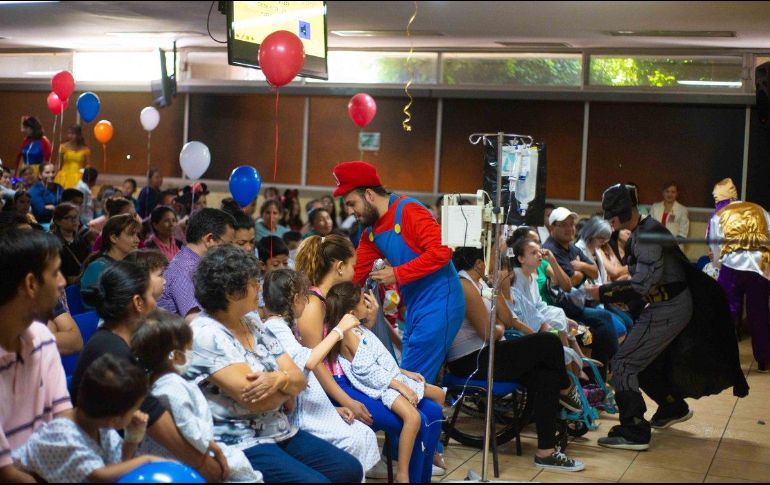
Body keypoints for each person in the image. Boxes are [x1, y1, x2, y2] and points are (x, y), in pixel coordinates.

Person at [585, 183, 748, 451]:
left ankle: (634, 430)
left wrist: (601, 293)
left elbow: (641, 285)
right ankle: (672, 406)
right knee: (643, 361)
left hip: (668, 307)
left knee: (624, 363)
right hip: (668, 304)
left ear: (624, 211)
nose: (609, 219)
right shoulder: (644, 231)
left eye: (612, 213)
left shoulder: (647, 236)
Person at [189, 245, 364, 483]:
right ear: (231, 292)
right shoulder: (206, 334)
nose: (259, 287)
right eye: (253, 282)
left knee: (349, 469)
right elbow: (258, 400)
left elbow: (299, 379)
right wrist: (286, 383)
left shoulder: (252, 323)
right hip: (240, 440)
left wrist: (279, 379)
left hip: (280, 429)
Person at [294, 233, 442, 481]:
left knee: (434, 412)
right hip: (335, 385)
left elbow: (357, 347)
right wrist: (347, 401)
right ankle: (406, 476)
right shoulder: (312, 305)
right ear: (339, 267)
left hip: (354, 376)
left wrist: (369, 322)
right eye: (353, 265)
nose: (356, 271)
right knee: (415, 421)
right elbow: (316, 365)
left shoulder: (336, 299)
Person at [72, 260, 230, 481]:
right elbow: (152, 415)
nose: (156, 305)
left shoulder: (117, 340)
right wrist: (205, 464)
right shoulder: (113, 352)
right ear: (138, 302)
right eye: (151, 297)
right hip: (104, 465)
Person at [447, 246, 585, 472]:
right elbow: (489, 332)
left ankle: (546, 452)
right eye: (491, 261)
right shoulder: (464, 285)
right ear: (479, 263)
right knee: (549, 342)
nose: (497, 267)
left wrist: (498, 289)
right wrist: (500, 327)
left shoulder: (481, 285)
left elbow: (508, 319)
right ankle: (566, 388)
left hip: (490, 352)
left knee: (545, 376)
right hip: (471, 360)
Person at [333, 161, 465, 384]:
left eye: (352, 203)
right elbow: (355, 274)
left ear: (369, 195)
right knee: (411, 376)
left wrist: (397, 273)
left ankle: (430, 407)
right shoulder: (370, 232)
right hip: (415, 306)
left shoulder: (409, 210)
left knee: (411, 383)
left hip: (440, 302)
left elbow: (442, 252)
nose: (350, 211)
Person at [261, 270, 380, 475]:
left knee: (364, 434)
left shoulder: (285, 326)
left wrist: (332, 409)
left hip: (309, 406)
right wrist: (339, 330)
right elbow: (309, 361)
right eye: (305, 297)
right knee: (352, 441)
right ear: (296, 300)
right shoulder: (275, 327)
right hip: (301, 414)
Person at [328, 281, 446, 483]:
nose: (368, 304)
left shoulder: (359, 329)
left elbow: (379, 359)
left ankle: (431, 448)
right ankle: (403, 473)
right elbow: (369, 372)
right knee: (413, 418)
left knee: (439, 394)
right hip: (384, 388)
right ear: (352, 312)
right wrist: (400, 385)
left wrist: (403, 372)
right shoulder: (349, 336)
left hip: (393, 378)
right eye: (363, 302)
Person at [131, 311, 263, 483]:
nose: (191, 353)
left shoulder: (154, 383)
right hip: (187, 458)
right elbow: (189, 427)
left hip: (174, 456)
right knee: (240, 466)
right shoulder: (173, 386)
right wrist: (212, 447)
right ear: (177, 356)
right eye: (189, 348)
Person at [13, 354, 165, 483]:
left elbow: (120, 466)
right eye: (134, 409)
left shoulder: (101, 427)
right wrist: (146, 460)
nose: (137, 412)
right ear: (115, 420)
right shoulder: (63, 435)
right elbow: (100, 476)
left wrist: (132, 437)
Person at [0, 229, 71, 483]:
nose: (63, 281)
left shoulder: (42, 338)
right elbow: (6, 473)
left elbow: (64, 421)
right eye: (55, 273)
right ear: (31, 284)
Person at [542, 207, 619, 373]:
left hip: (577, 306)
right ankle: (614, 367)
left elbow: (594, 271)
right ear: (552, 227)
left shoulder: (571, 248)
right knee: (595, 331)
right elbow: (569, 283)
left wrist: (581, 267)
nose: (570, 228)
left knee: (604, 327)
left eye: (572, 224)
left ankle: (602, 377)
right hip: (564, 310)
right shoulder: (551, 250)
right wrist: (582, 272)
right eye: (564, 225)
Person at [709, 178, 770, 372]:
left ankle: (723, 358)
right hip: (760, 268)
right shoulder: (760, 209)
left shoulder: (719, 215)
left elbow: (715, 246)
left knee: (726, 311)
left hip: (732, 267)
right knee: (759, 313)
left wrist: (717, 264)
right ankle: (764, 360)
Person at [158, 208, 235, 321]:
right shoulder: (186, 269)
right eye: (227, 245)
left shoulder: (196, 264)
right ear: (209, 239)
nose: (230, 252)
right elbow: (195, 320)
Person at [80, 214, 141, 309]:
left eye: (137, 235)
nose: (138, 240)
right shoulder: (97, 268)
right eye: (131, 234)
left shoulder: (131, 264)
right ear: (114, 238)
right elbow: (92, 308)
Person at [51, 203, 90, 285]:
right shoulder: (51, 242)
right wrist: (67, 279)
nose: (74, 220)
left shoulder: (82, 240)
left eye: (75, 217)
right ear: (57, 221)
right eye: (67, 218)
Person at [54, 125, 90, 190]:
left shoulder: (85, 149)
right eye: (69, 133)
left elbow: (88, 164)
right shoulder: (63, 147)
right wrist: (54, 174)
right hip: (64, 176)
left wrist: (84, 172)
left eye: (73, 134)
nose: (70, 135)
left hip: (79, 176)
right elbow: (58, 163)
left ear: (78, 135)